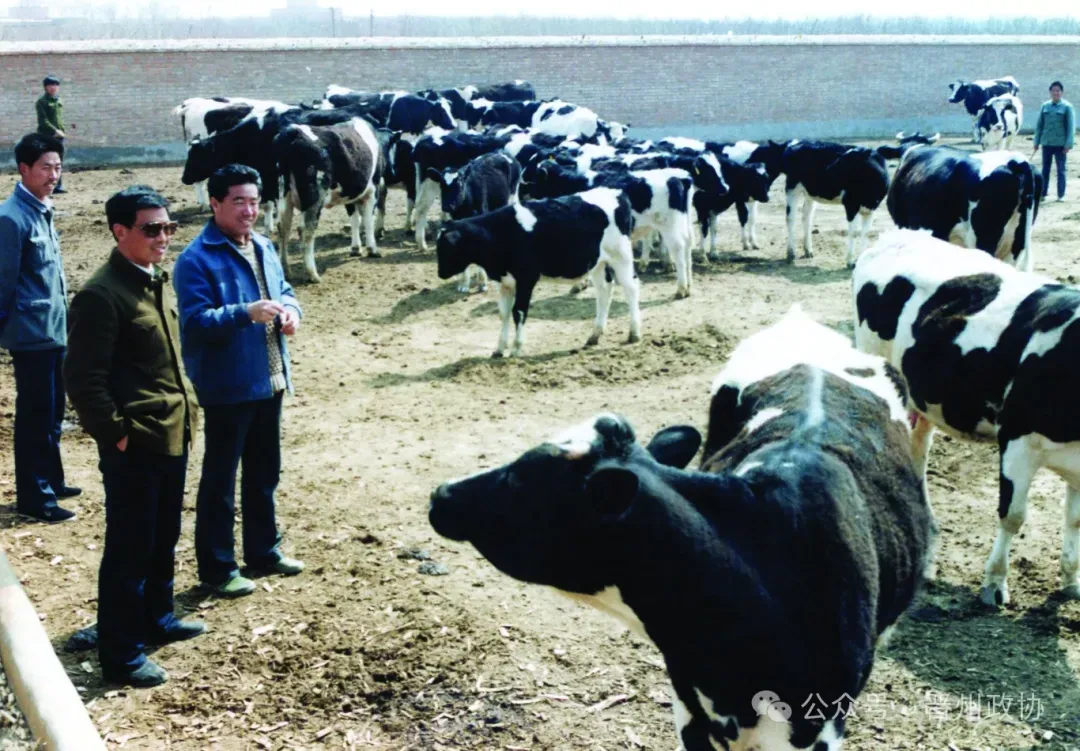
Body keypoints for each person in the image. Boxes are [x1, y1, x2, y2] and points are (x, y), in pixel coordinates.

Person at [64, 186, 204, 688]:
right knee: (129, 550)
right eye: (152, 229)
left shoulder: (152, 279)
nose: (164, 237)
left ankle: (157, 618)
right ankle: (120, 655)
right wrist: (117, 436)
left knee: (163, 537)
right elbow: (83, 380)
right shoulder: (101, 295)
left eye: (169, 227)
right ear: (120, 231)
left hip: (171, 433)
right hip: (137, 444)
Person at [173, 164, 305, 598]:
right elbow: (195, 323)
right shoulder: (196, 260)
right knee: (221, 479)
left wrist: (291, 313)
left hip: (270, 378)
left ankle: (264, 551)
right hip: (228, 386)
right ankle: (217, 568)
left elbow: (285, 291)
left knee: (264, 472)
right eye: (238, 202)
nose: (249, 211)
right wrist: (244, 313)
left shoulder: (264, 246)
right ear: (214, 203)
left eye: (254, 201)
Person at [0, 133, 78, 523]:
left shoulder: (42, 209)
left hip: (54, 329)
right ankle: (34, 496)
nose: (53, 175)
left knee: (53, 410)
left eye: (58, 167)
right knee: (35, 416)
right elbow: (3, 282)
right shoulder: (11, 217)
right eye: (46, 167)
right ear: (24, 169)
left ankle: (52, 479)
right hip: (30, 334)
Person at [1032, 80, 1075, 203]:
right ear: (1050, 92)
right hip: (1046, 143)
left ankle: (1060, 195)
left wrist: (1068, 144)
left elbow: (1070, 127)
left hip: (1060, 145)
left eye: (1058, 91)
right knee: (1045, 170)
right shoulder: (1045, 106)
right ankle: (1043, 193)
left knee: (1061, 170)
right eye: (1053, 91)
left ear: (1061, 92)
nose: (1055, 93)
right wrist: (1036, 142)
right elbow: (1039, 126)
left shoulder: (1067, 107)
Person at [35, 76, 67, 194]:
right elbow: (43, 121)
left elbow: (59, 119)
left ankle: (58, 186)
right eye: (50, 85)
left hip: (59, 136)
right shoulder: (41, 102)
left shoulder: (59, 100)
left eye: (55, 85)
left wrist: (62, 130)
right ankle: (47, 186)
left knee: (58, 161)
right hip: (47, 136)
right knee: (48, 162)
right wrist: (55, 131)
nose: (53, 87)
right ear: (45, 87)